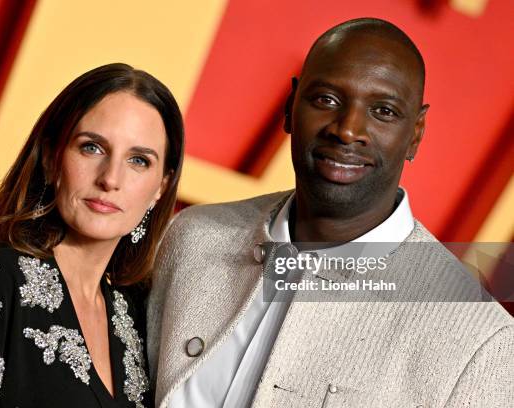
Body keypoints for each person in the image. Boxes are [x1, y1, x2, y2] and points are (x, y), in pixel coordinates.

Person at [147, 18, 514, 408]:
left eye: (384, 111)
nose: (348, 129)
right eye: (326, 100)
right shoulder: (193, 238)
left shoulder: (480, 339)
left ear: (416, 132)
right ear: (291, 107)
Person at [0, 63, 184, 407]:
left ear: (161, 186)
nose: (111, 178)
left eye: (139, 160)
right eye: (91, 147)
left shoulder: (136, 317)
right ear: (52, 158)